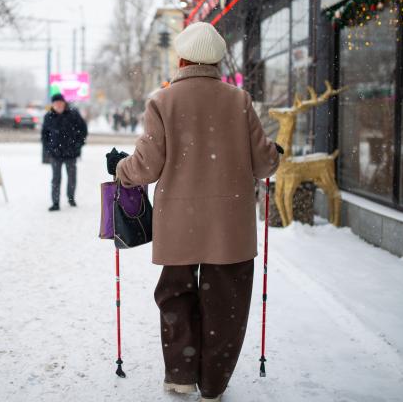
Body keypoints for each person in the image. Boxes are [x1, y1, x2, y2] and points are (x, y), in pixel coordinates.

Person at [106, 22, 283, 402]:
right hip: (229, 227)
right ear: (217, 59)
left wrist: (120, 168)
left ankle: (181, 374)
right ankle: (214, 384)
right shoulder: (239, 100)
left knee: (176, 296)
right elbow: (265, 164)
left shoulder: (163, 101)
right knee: (226, 306)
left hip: (178, 225)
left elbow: (145, 167)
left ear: (182, 57)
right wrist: (275, 154)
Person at [41, 94, 88, 211]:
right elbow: (44, 135)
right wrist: (48, 149)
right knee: (56, 178)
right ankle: (55, 202)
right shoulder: (48, 116)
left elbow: (83, 130)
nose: (58, 105)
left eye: (60, 103)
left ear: (64, 103)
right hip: (55, 154)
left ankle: (71, 198)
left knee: (72, 177)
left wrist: (78, 145)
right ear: (52, 105)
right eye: (56, 103)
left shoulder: (73, 114)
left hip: (71, 153)